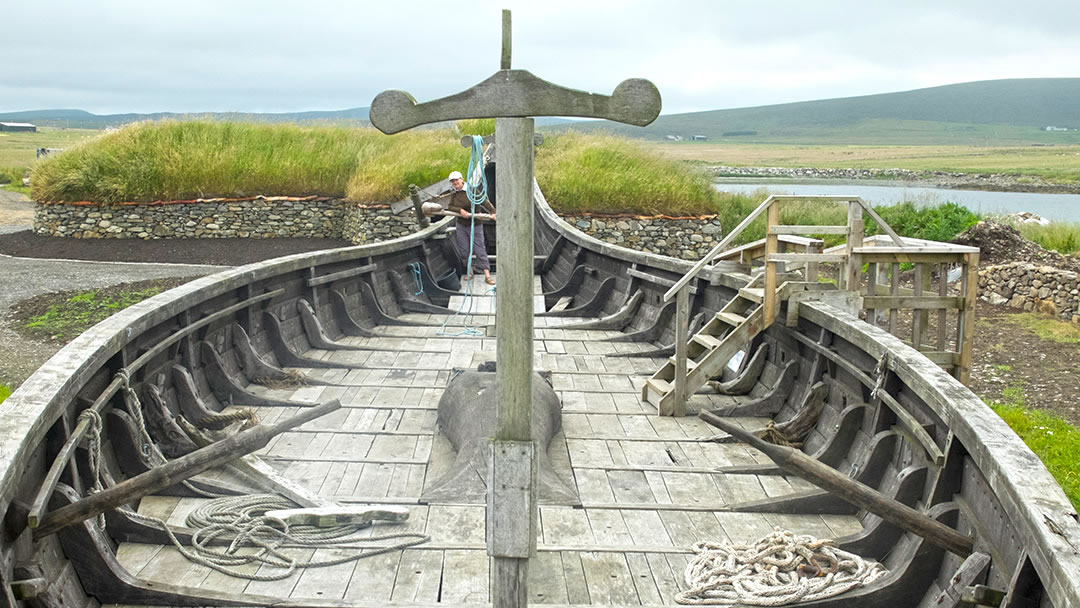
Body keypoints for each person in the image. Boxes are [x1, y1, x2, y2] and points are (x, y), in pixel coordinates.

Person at [446, 170, 496, 285]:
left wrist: (493, 212)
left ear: (462, 179)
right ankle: (470, 272)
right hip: (461, 225)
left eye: (456, 180)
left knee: (480, 250)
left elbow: (484, 201)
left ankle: (487, 276)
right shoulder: (454, 194)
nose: (455, 183)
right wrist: (460, 210)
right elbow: (450, 207)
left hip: (475, 224)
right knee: (464, 250)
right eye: (453, 182)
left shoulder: (472, 190)